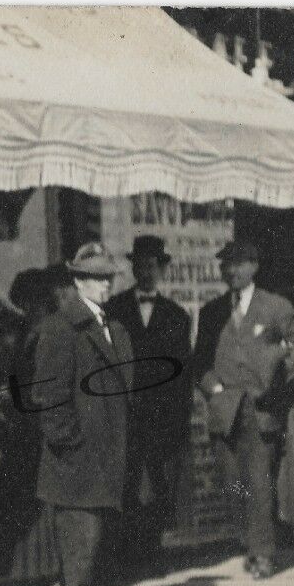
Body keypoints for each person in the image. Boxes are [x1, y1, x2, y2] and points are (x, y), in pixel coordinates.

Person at [30, 243, 136, 586]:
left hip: (110, 451)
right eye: (95, 278)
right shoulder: (61, 328)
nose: (104, 285)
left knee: (104, 536)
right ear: (77, 282)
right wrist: (70, 444)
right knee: (81, 534)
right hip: (78, 456)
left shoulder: (115, 328)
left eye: (108, 278)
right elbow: (51, 397)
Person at [194, 240, 294, 579]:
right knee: (233, 482)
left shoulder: (276, 307)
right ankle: (248, 539)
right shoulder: (212, 312)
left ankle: (263, 551)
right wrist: (215, 390)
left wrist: (275, 377)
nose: (232, 271)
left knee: (259, 481)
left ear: (254, 266)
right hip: (225, 410)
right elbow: (199, 362)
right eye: (226, 265)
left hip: (260, 409)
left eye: (239, 264)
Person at [104, 235, 193, 567]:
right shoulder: (113, 310)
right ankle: (124, 556)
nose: (146, 271)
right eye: (140, 265)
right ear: (132, 267)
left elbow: (183, 373)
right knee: (124, 483)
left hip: (160, 416)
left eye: (152, 265)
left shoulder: (176, 316)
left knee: (157, 484)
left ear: (163, 269)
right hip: (123, 413)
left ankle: (151, 553)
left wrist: (178, 421)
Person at [0, 267, 60, 585]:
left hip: (38, 424)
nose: (27, 308)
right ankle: (19, 570)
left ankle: (36, 570)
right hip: (25, 424)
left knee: (25, 494)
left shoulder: (48, 331)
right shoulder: (29, 332)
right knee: (15, 492)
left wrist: (17, 393)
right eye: (23, 302)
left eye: (30, 301)